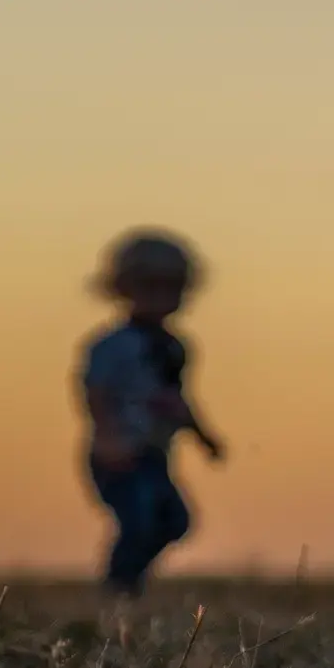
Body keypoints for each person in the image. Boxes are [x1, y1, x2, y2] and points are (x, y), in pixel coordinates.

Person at [79, 229, 224, 596]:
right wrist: (109, 436)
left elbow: (178, 399)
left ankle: (130, 581)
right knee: (139, 519)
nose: (161, 298)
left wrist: (203, 436)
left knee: (174, 520)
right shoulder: (112, 346)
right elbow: (95, 392)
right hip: (118, 454)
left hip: (154, 454)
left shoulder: (176, 348)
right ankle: (118, 586)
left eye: (170, 288)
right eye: (150, 288)